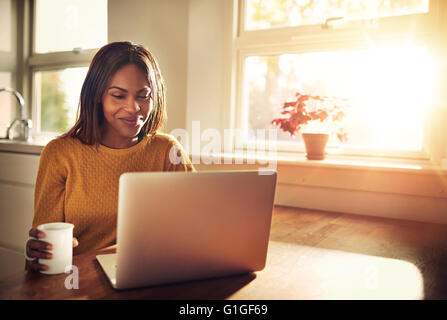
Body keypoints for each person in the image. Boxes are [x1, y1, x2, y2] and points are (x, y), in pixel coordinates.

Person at [25, 41, 194, 272]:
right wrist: (38, 254)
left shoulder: (167, 152)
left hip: (151, 275)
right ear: (97, 96)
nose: (134, 108)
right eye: (118, 96)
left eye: (143, 96)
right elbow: (41, 255)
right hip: (80, 283)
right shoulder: (60, 154)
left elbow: (196, 227)